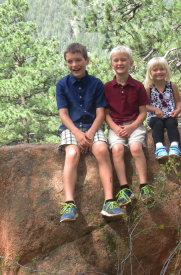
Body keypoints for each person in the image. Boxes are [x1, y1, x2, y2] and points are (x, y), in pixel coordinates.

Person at [56, 43, 124, 222]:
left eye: (78, 60)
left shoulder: (96, 84)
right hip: (72, 127)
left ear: (86, 60)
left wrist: (91, 133)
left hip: (93, 126)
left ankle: (109, 201)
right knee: (72, 153)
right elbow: (63, 115)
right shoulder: (62, 84)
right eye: (70, 61)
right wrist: (78, 134)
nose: (74, 65)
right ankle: (69, 203)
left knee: (102, 150)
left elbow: (101, 113)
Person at [104, 46, 153, 207]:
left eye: (123, 60)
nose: (120, 63)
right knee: (117, 149)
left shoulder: (138, 86)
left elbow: (143, 112)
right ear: (111, 64)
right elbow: (106, 114)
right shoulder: (107, 87)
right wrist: (115, 128)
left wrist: (132, 127)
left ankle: (144, 186)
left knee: (136, 147)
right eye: (116, 60)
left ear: (130, 62)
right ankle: (124, 188)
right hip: (115, 126)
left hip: (135, 125)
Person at [144, 57, 181, 159]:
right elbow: (145, 105)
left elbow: (178, 101)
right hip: (154, 116)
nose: (159, 72)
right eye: (155, 70)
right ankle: (159, 147)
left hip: (170, 114)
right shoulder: (149, 88)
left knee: (171, 123)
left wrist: (177, 110)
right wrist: (155, 110)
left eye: (162, 69)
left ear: (166, 70)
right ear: (150, 73)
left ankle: (174, 145)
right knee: (158, 124)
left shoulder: (171, 85)